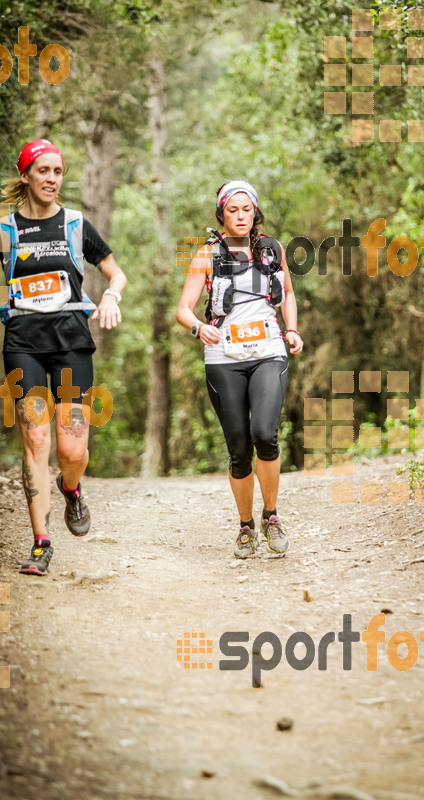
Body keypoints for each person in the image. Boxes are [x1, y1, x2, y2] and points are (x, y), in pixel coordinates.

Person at [0, 138, 126, 575]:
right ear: (26, 175)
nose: (51, 179)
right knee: (36, 439)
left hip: (71, 341)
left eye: (57, 172)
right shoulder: (5, 230)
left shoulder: (74, 224)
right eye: (43, 170)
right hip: (23, 343)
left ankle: (71, 487)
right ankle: (41, 543)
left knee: (71, 448)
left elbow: (115, 271)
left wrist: (110, 296)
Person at [176, 180, 303, 559]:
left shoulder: (272, 250)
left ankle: (272, 516)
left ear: (255, 212)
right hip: (223, 359)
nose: (241, 216)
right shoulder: (206, 255)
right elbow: (183, 308)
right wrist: (199, 327)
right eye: (233, 210)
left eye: (247, 209)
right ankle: (246, 526)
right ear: (221, 213)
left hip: (268, 351)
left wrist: (292, 329)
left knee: (265, 433)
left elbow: (289, 294)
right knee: (238, 449)